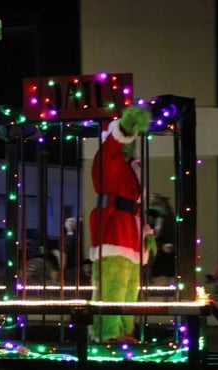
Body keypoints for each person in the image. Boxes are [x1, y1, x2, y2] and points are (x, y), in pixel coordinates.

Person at [89, 106, 156, 343]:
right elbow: (113, 144)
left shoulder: (130, 168)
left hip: (130, 233)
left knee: (130, 288)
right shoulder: (108, 157)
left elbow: (137, 206)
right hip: (113, 230)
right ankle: (107, 332)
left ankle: (125, 330)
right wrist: (125, 128)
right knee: (112, 285)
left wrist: (145, 233)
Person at [62, 217, 78, 283]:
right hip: (65, 265)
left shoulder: (76, 237)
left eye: (71, 223)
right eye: (68, 223)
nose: (69, 224)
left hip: (73, 265)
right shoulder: (64, 238)